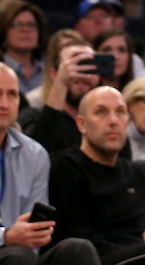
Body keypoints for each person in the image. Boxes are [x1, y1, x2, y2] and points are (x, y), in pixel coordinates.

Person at [47, 86, 145, 265]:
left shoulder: (133, 172)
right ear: (82, 124)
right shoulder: (65, 167)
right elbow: (76, 236)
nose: (113, 121)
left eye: (120, 112)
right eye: (101, 112)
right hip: (95, 258)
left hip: (140, 255)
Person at [0, 63, 103, 265]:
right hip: (14, 253)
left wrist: (32, 235)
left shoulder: (34, 154)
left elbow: (34, 235)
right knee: (19, 256)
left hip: (23, 256)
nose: (4, 103)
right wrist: (7, 236)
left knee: (77, 249)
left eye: (12, 94)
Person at [27, 37, 99, 154]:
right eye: (75, 64)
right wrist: (61, 83)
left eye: (88, 66)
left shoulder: (106, 122)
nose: (81, 74)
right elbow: (35, 155)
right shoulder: (33, 117)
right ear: (54, 74)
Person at [0, 0, 46, 95]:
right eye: (17, 25)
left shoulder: (50, 70)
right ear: (4, 30)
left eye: (31, 25)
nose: (26, 29)